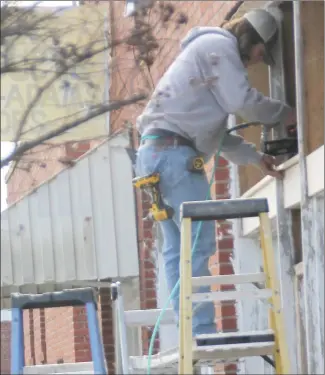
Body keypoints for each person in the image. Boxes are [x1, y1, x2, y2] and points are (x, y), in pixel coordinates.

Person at [134, 8, 296, 336]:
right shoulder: (219, 47)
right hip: (173, 156)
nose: (254, 61)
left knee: (177, 248)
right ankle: (202, 332)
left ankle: (190, 331)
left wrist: (255, 157)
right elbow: (242, 101)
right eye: (258, 54)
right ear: (249, 39)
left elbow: (217, 136)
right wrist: (284, 113)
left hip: (155, 153)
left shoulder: (204, 58)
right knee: (198, 241)